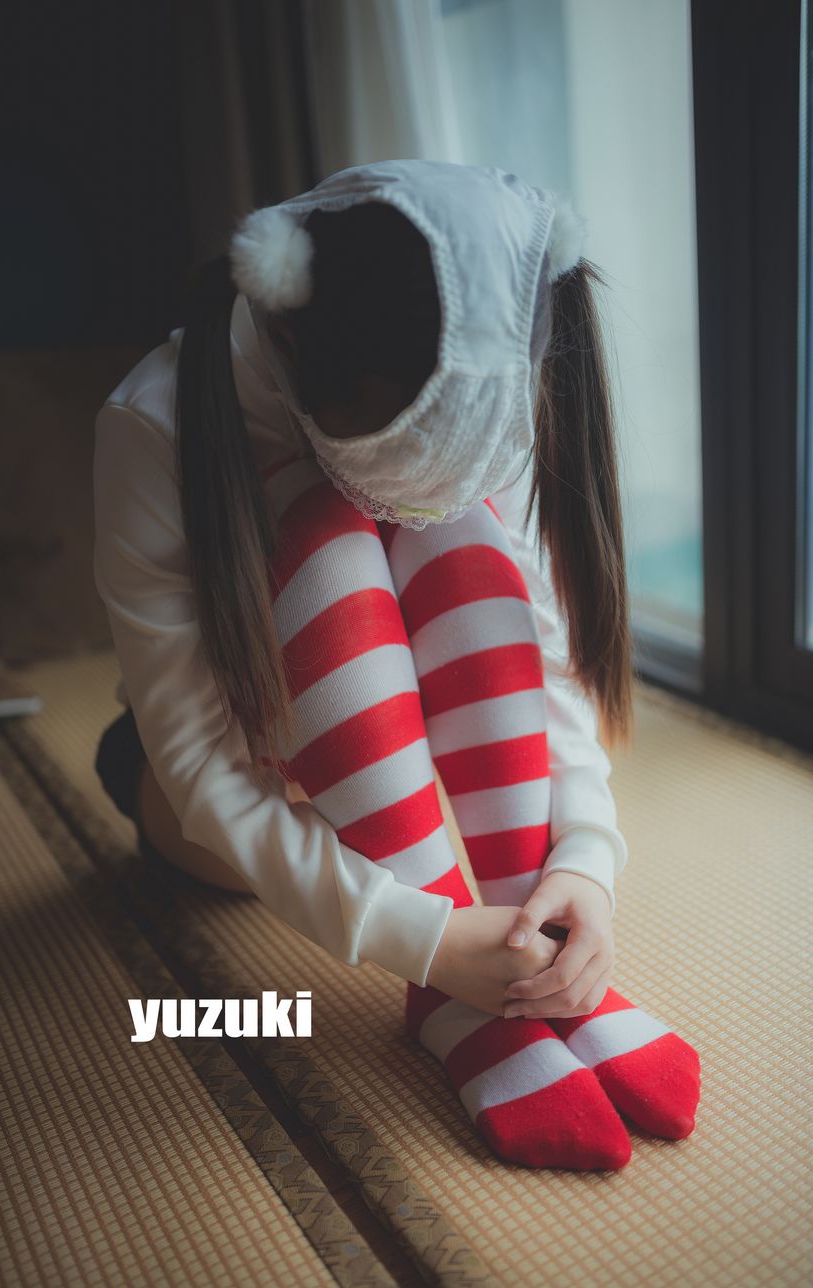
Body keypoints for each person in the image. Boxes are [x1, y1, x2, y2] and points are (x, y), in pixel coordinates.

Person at [93, 158, 700, 1171]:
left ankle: (531, 956)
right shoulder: (150, 423)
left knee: (458, 536)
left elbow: (541, 655)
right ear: (289, 335)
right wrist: (423, 942)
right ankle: (459, 993)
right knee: (327, 537)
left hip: (393, 747)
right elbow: (199, 768)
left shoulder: (480, 374)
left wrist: (581, 866)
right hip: (211, 787)